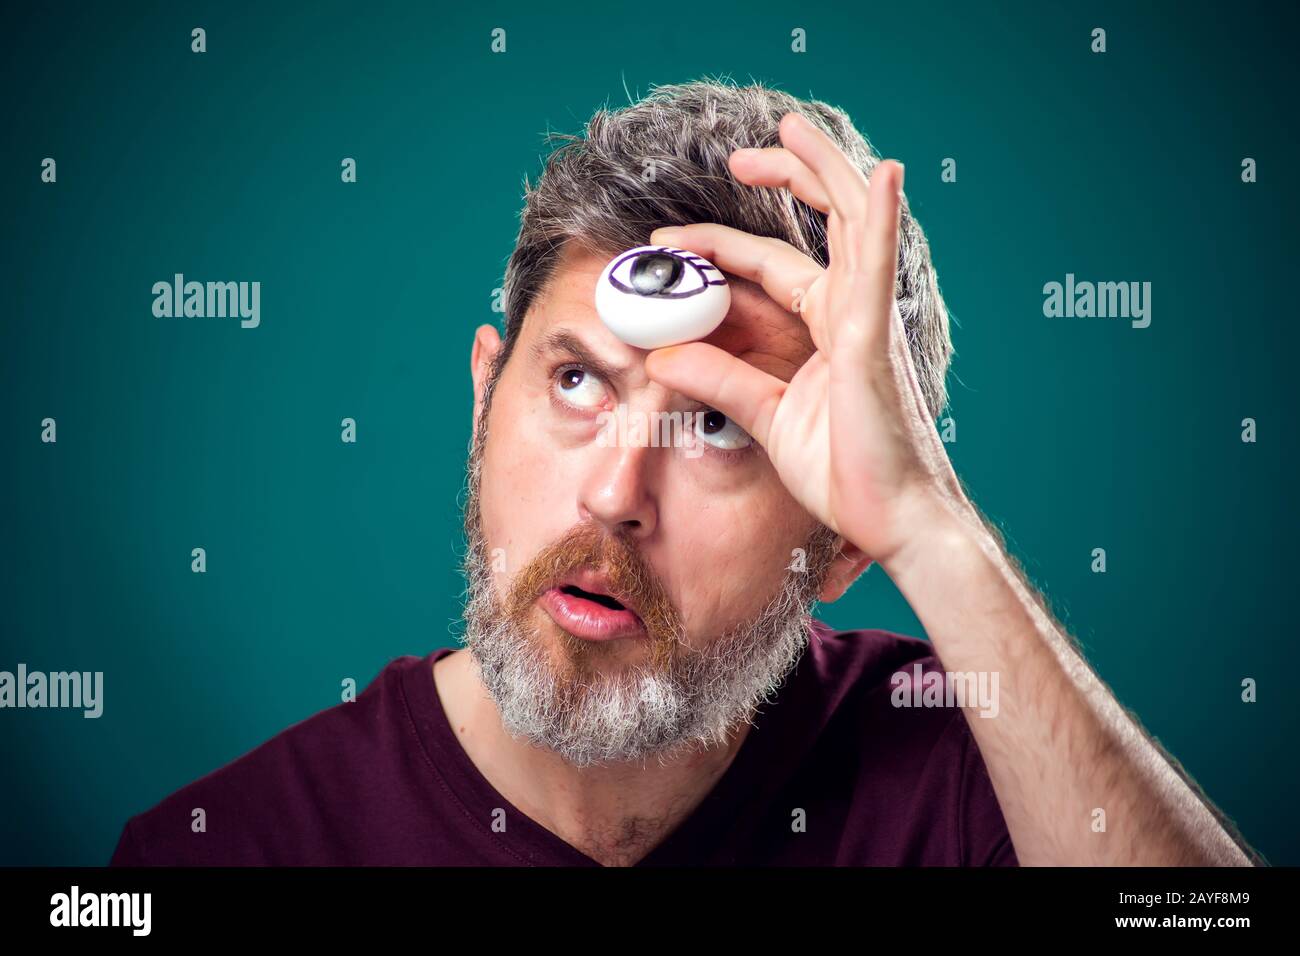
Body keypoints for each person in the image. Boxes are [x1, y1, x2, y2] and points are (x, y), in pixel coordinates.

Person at [109, 79, 1258, 867]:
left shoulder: (970, 776)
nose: (614, 494)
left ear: (842, 541)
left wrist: (932, 525)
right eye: (576, 383)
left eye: (718, 427)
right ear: (483, 398)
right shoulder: (230, 847)